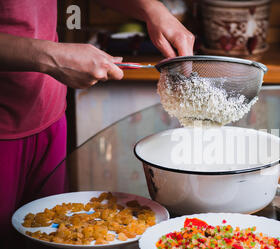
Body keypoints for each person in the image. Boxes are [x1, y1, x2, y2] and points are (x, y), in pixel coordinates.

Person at [0, 0, 195, 235]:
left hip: (49, 114)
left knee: (50, 246)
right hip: (5, 131)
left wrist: (152, 9)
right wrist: (53, 57)